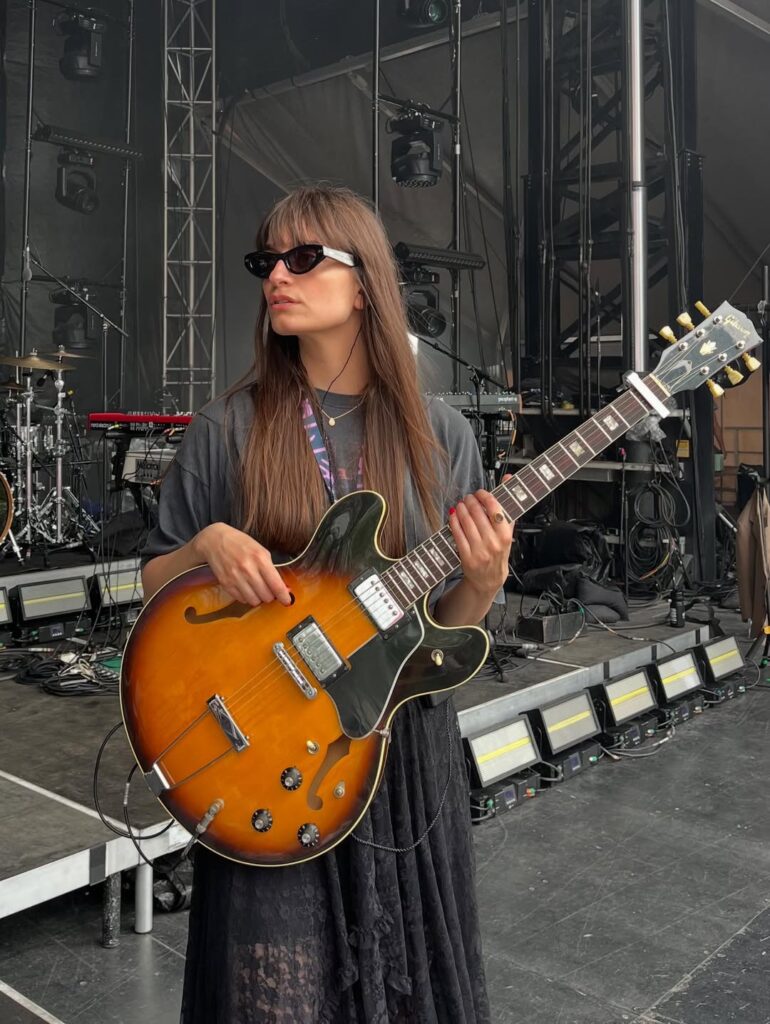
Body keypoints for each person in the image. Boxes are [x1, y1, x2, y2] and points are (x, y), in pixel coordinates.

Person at [141, 184, 514, 1023]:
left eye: (304, 257)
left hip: (395, 758)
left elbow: (441, 635)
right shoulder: (227, 428)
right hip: (269, 760)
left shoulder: (441, 434)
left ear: (365, 281)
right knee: (273, 996)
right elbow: (149, 582)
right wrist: (203, 551)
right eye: (266, 259)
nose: (278, 273)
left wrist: (483, 584)